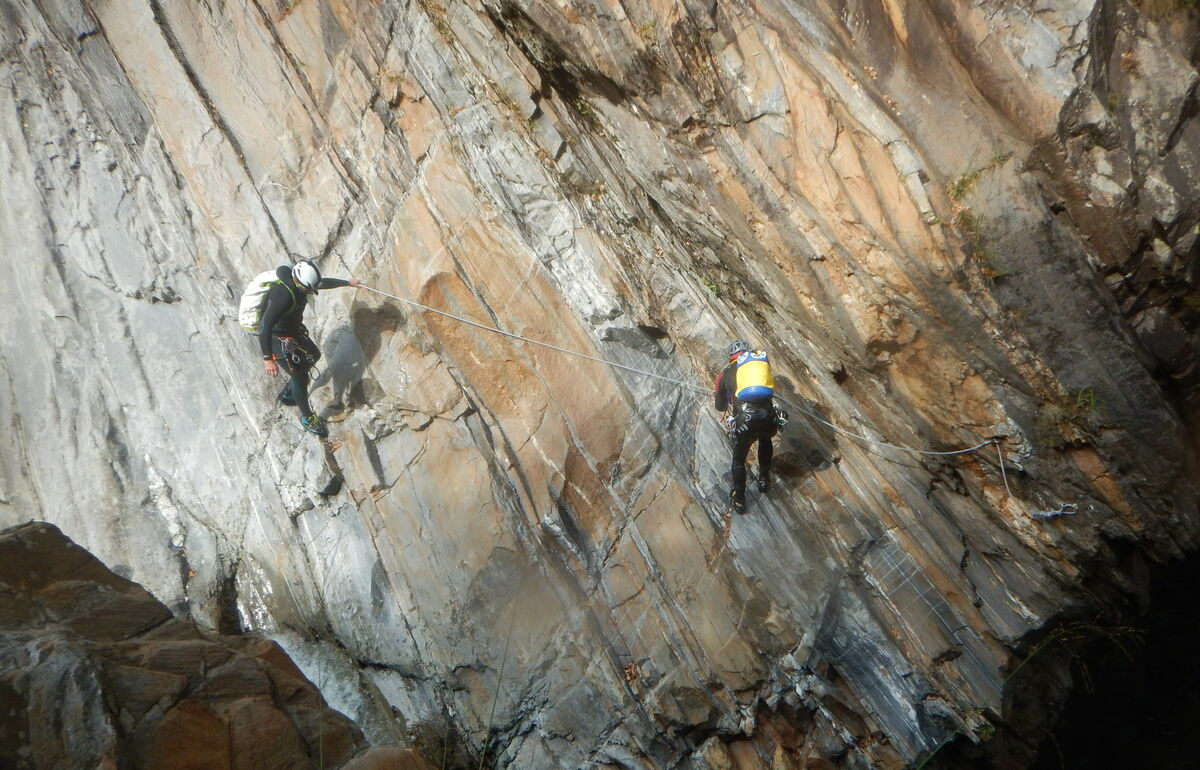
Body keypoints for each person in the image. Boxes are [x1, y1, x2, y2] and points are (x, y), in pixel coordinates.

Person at [257, 260, 360, 437]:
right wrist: (268, 359)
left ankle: (290, 393)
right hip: (276, 339)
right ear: (297, 282)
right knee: (300, 377)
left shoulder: (302, 283)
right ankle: (307, 416)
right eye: (309, 290)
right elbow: (264, 327)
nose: (311, 292)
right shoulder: (284, 295)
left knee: (314, 355)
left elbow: (323, 283)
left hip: (292, 333)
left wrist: (347, 283)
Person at [714, 339, 779, 513]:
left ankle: (740, 499)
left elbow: (719, 407)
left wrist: (728, 397)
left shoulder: (724, 373)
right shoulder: (759, 365)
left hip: (744, 421)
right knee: (765, 439)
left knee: (738, 460)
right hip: (768, 417)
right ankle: (764, 479)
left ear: (731, 357)